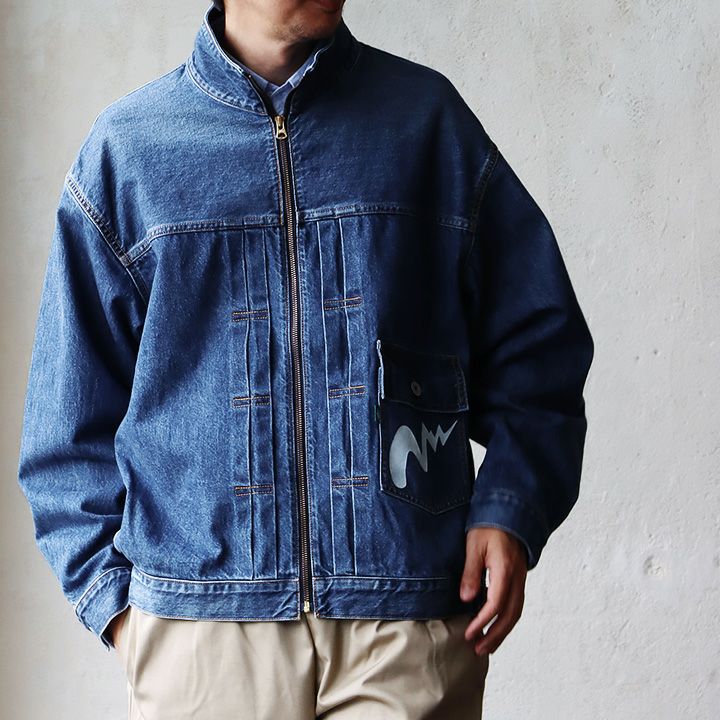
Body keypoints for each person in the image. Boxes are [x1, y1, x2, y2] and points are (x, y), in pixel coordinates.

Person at [16, 0, 594, 717]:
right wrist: (121, 613)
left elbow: (539, 343)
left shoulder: (425, 124)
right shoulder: (129, 152)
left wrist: (509, 506)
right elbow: (64, 430)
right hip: (203, 627)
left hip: (405, 616)